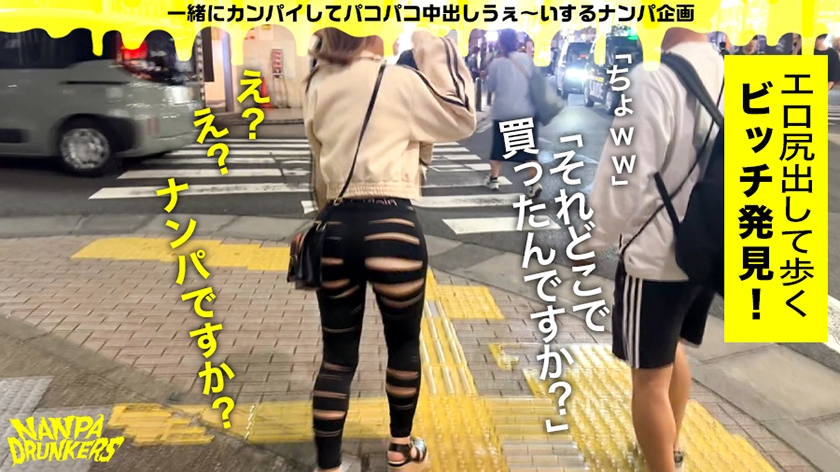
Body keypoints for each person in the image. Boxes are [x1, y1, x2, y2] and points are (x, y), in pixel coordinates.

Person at [302, 28, 476, 472]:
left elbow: (318, 164)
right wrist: (434, 46)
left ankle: (329, 465)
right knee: (403, 344)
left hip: (336, 227)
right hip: (393, 227)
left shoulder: (318, 82)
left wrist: (328, 216)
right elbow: (462, 117)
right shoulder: (400, 80)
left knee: (337, 355)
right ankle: (400, 448)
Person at [578, 27, 723, 472]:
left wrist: (592, 237)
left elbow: (623, 176)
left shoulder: (652, 78)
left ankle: (662, 461)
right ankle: (671, 445)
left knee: (648, 380)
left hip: (657, 257)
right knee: (670, 349)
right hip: (707, 249)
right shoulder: (733, 73)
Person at [483, 28, 543, 198]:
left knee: (499, 148)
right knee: (529, 152)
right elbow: (536, 81)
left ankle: (494, 179)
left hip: (504, 112)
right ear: (517, 43)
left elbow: (490, 87)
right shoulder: (527, 60)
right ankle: (534, 184)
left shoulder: (496, 63)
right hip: (526, 111)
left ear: (500, 44)